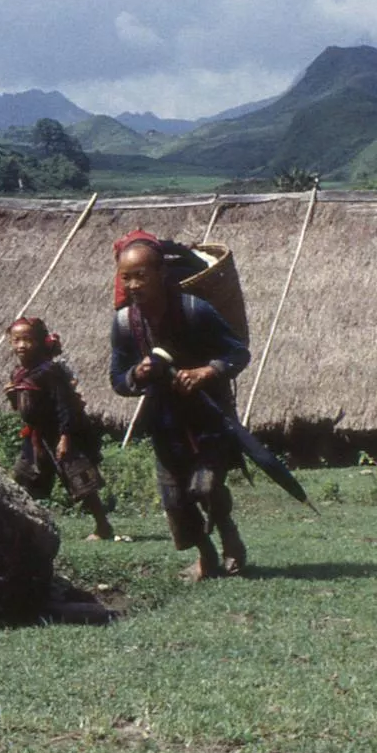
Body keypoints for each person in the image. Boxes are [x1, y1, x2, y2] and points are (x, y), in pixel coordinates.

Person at [109, 231, 253, 581]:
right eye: (125, 277)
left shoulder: (196, 310)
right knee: (175, 498)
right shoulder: (125, 323)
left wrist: (206, 371)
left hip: (208, 416)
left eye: (140, 275)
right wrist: (137, 374)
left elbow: (238, 352)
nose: (132, 285)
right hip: (165, 421)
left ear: (161, 274)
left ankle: (230, 536)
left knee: (206, 487)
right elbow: (117, 378)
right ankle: (206, 555)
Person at [4, 316, 115, 541]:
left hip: (60, 433)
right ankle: (21, 528)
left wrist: (65, 437)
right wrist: (12, 397)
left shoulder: (50, 371)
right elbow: (24, 408)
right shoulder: (18, 373)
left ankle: (103, 526)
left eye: (27, 339)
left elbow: (65, 405)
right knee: (24, 480)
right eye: (16, 340)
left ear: (39, 341)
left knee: (80, 481)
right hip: (36, 436)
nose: (21, 345)